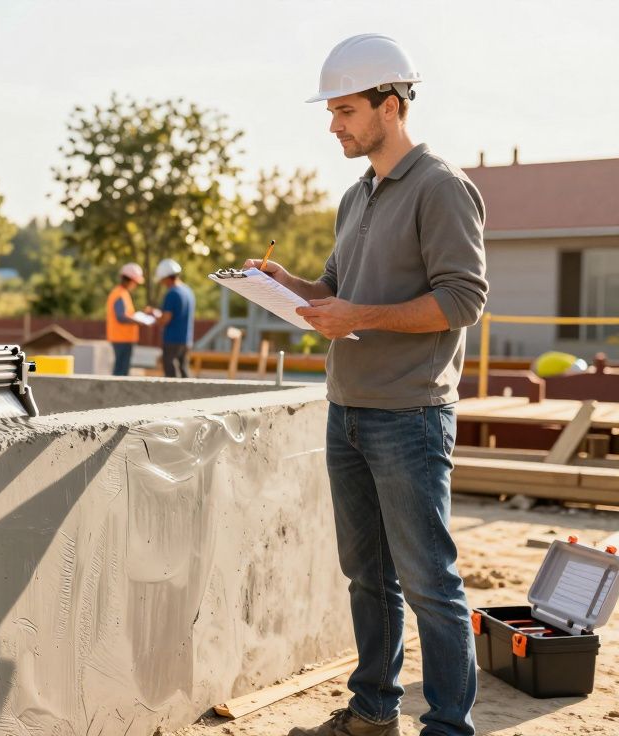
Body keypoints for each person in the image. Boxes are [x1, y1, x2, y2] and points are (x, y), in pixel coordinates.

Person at [257, 34, 489, 736]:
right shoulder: (356, 197)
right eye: (332, 112)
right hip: (348, 411)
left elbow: (463, 299)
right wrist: (284, 285)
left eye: (346, 110)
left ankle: (449, 726)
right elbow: (335, 289)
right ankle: (373, 711)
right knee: (367, 577)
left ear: (391, 105)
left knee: (430, 584)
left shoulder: (442, 188)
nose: (335, 125)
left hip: (410, 417)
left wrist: (360, 314)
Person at [153, 258, 195, 378]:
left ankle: (172, 397)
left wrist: (155, 319)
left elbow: (166, 318)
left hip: (172, 340)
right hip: (186, 340)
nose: (162, 283)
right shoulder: (188, 291)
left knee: (171, 373)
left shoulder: (172, 293)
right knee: (184, 370)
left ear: (167, 277)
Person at [105, 263, 145, 376]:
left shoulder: (123, 293)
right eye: (135, 282)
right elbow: (121, 317)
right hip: (121, 338)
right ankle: (116, 393)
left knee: (122, 369)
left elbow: (126, 314)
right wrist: (139, 321)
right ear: (130, 280)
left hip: (124, 338)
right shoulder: (119, 294)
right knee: (121, 371)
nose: (135, 285)